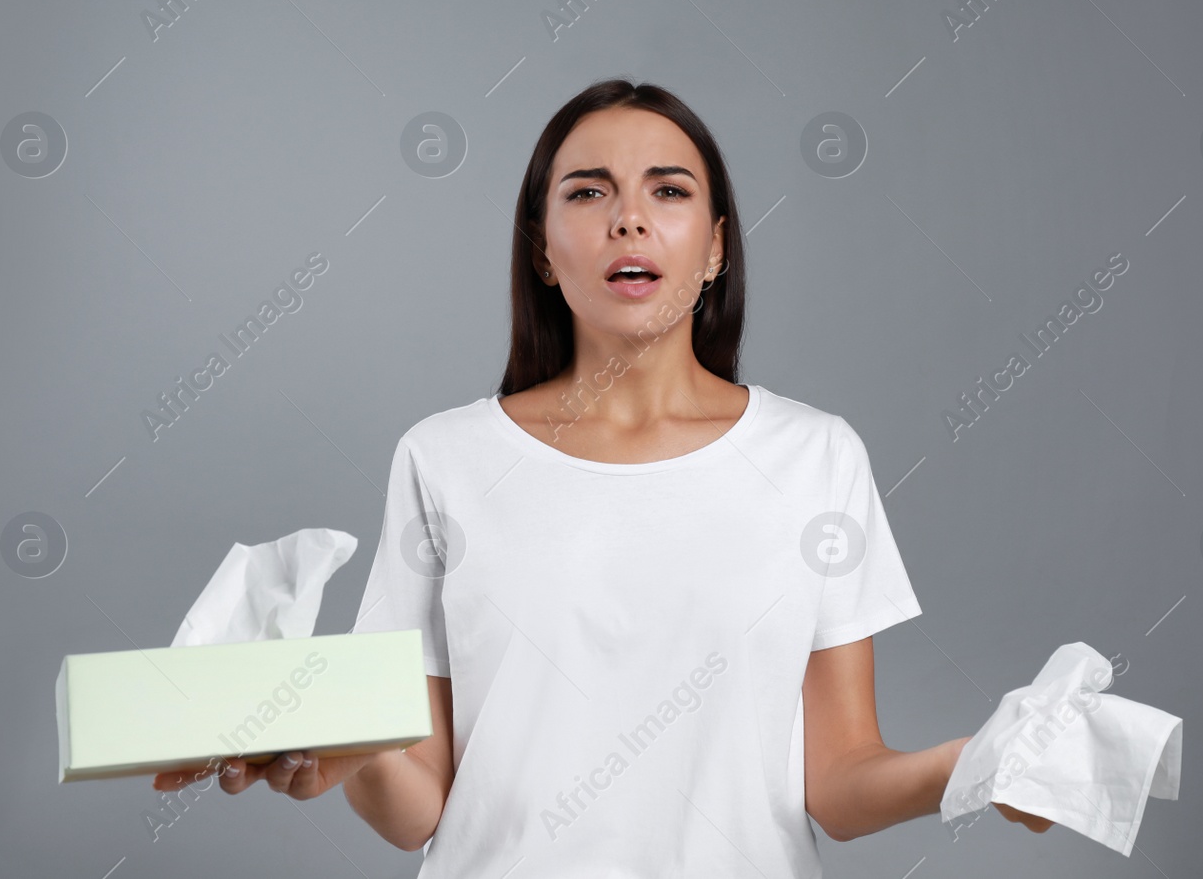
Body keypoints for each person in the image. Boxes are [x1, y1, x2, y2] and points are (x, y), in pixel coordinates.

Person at [154, 78, 1050, 872]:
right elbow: (419, 801)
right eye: (589, 193)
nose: (629, 217)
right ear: (544, 248)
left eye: (669, 190)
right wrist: (342, 752)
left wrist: (976, 762)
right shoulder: (446, 459)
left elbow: (840, 781)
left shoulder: (815, 457)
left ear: (715, 247)